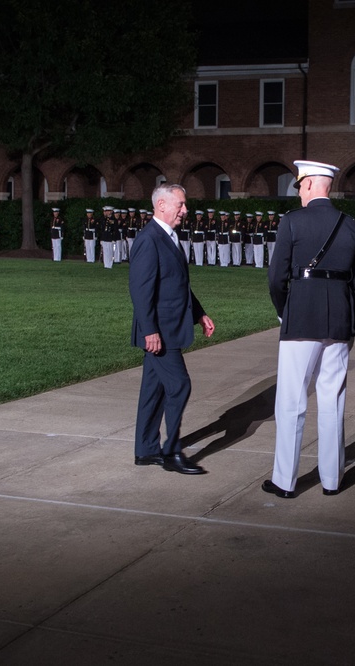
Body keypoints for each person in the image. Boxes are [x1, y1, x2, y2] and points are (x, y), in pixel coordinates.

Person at [266, 160, 355, 498]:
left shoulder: (293, 221)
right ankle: (332, 480)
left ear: (308, 185)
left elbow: (276, 277)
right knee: (332, 401)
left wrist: (286, 312)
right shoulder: (351, 225)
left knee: (291, 401)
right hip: (338, 319)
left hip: (301, 318)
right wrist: (351, 325)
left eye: (300, 186)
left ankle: (284, 480)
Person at [129, 182, 215, 475]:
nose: (185, 210)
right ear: (161, 205)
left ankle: (146, 450)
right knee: (179, 386)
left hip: (170, 327)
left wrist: (200, 314)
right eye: (180, 204)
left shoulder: (168, 237)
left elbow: (177, 285)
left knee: (153, 390)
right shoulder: (149, 239)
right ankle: (171, 452)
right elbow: (140, 291)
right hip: (160, 333)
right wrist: (149, 330)